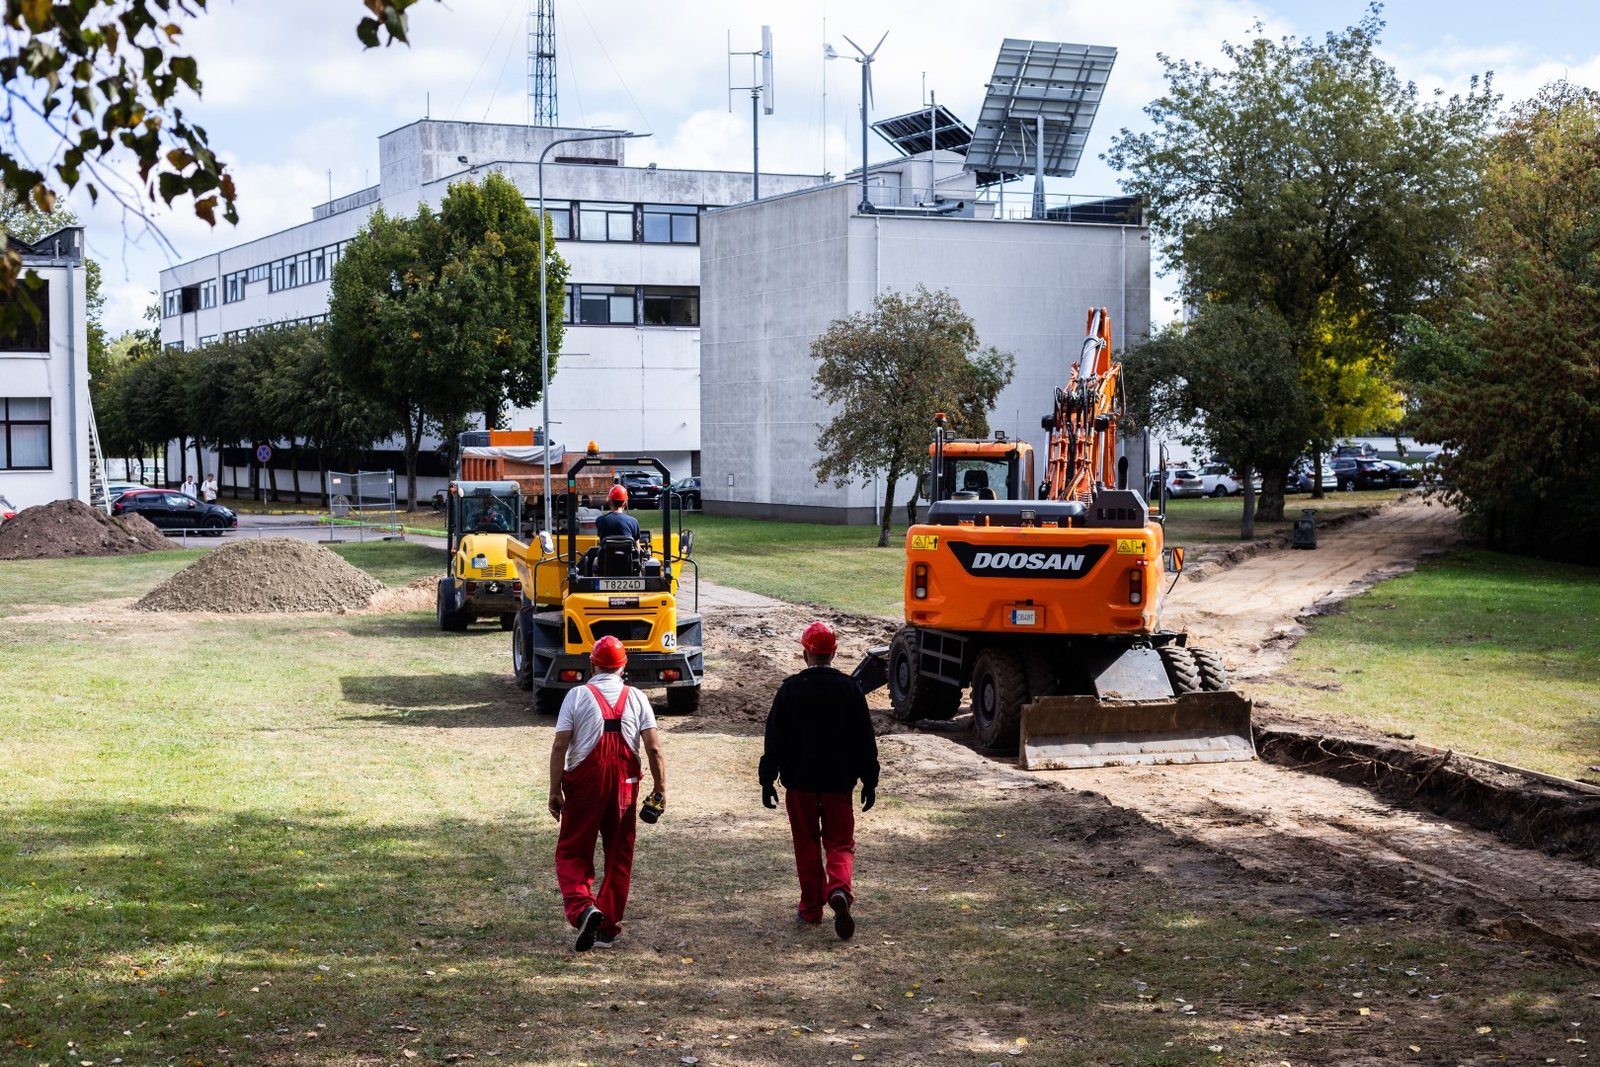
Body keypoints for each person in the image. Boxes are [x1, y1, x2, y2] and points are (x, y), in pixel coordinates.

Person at [759, 621, 879, 940]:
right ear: (834, 653)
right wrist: (870, 779)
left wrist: (767, 779)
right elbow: (865, 740)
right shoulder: (851, 689)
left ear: (805, 653)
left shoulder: (790, 689)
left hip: (800, 783)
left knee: (807, 844)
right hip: (839, 783)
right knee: (840, 843)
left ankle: (811, 908)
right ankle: (838, 887)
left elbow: (775, 740)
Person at [549, 635, 667, 951]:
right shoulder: (637, 698)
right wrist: (660, 789)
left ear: (592, 663)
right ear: (623, 665)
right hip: (625, 784)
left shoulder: (576, 696)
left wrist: (554, 790)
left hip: (584, 784)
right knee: (619, 854)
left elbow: (560, 745)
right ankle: (607, 927)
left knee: (573, 851)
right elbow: (654, 749)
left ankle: (584, 908)